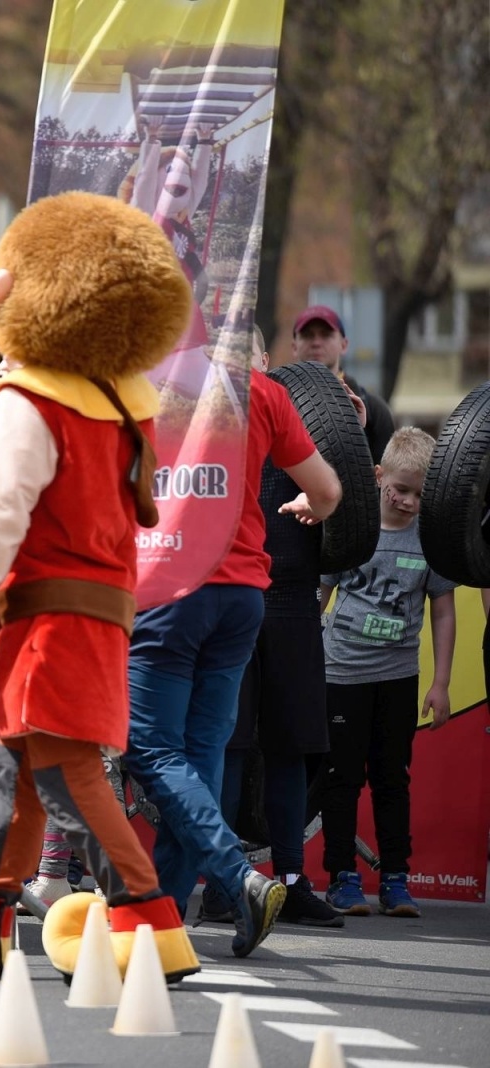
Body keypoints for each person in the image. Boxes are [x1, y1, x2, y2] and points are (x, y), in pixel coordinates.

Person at [0, 192, 202, 983]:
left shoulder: (31, 404)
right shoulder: (122, 410)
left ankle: (147, 918)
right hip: (95, 615)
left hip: (47, 618)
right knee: (19, 769)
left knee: (67, 771)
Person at [123, 341, 343, 957]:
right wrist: (306, 504)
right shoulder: (262, 391)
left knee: (153, 750)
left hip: (169, 593)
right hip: (243, 597)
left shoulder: (145, 382)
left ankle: (237, 877)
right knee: (196, 758)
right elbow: (327, 491)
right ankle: (163, 920)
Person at [215, 337, 345, 928]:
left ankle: (291, 880)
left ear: (266, 361)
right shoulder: (200, 418)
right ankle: (221, 884)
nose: (240, 360)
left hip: (290, 598)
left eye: (250, 351)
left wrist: (350, 432)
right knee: (230, 744)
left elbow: (341, 496)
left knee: (289, 746)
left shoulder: (293, 413)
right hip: (230, 594)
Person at [316, 428, 456, 918]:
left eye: (419, 494)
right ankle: (342, 878)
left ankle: (396, 878)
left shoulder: (430, 541)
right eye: (400, 488)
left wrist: (440, 683)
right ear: (378, 477)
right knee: (341, 778)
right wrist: (308, 655)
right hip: (341, 675)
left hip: (398, 677)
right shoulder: (353, 527)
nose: (409, 502)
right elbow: (321, 591)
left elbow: (443, 610)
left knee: (392, 778)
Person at [290, 305, 394, 462]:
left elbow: (387, 478)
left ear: (344, 345)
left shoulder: (374, 410)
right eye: (307, 335)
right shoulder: (276, 402)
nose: (316, 342)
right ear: (294, 347)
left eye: (326, 335)